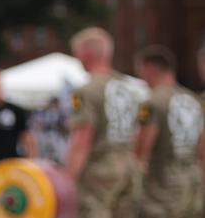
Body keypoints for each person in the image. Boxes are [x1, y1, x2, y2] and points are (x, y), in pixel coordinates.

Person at [64, 26, 142, 218]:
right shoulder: (128, 88)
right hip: (128, 166)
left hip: (99, 170)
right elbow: (137, 131)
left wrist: (66, 181)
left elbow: (81, 141)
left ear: (85, 54)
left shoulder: (86, 91)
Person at [133, 45, 204, 218]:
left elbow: (141, 151)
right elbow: (201, 150)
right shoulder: (194, 100)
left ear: (149, 69)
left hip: (161, 189)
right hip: (191, 184)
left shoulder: (153, 102)